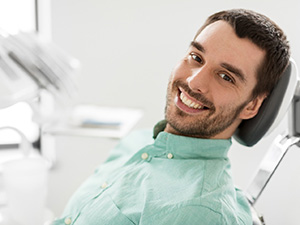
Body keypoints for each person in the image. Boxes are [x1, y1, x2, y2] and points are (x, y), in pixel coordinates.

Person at [52, 9, 290, 225]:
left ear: (252, 106)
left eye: (226, 77)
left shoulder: (201, 211)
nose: (194, 81)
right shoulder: (136, 142)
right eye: (196, 57)